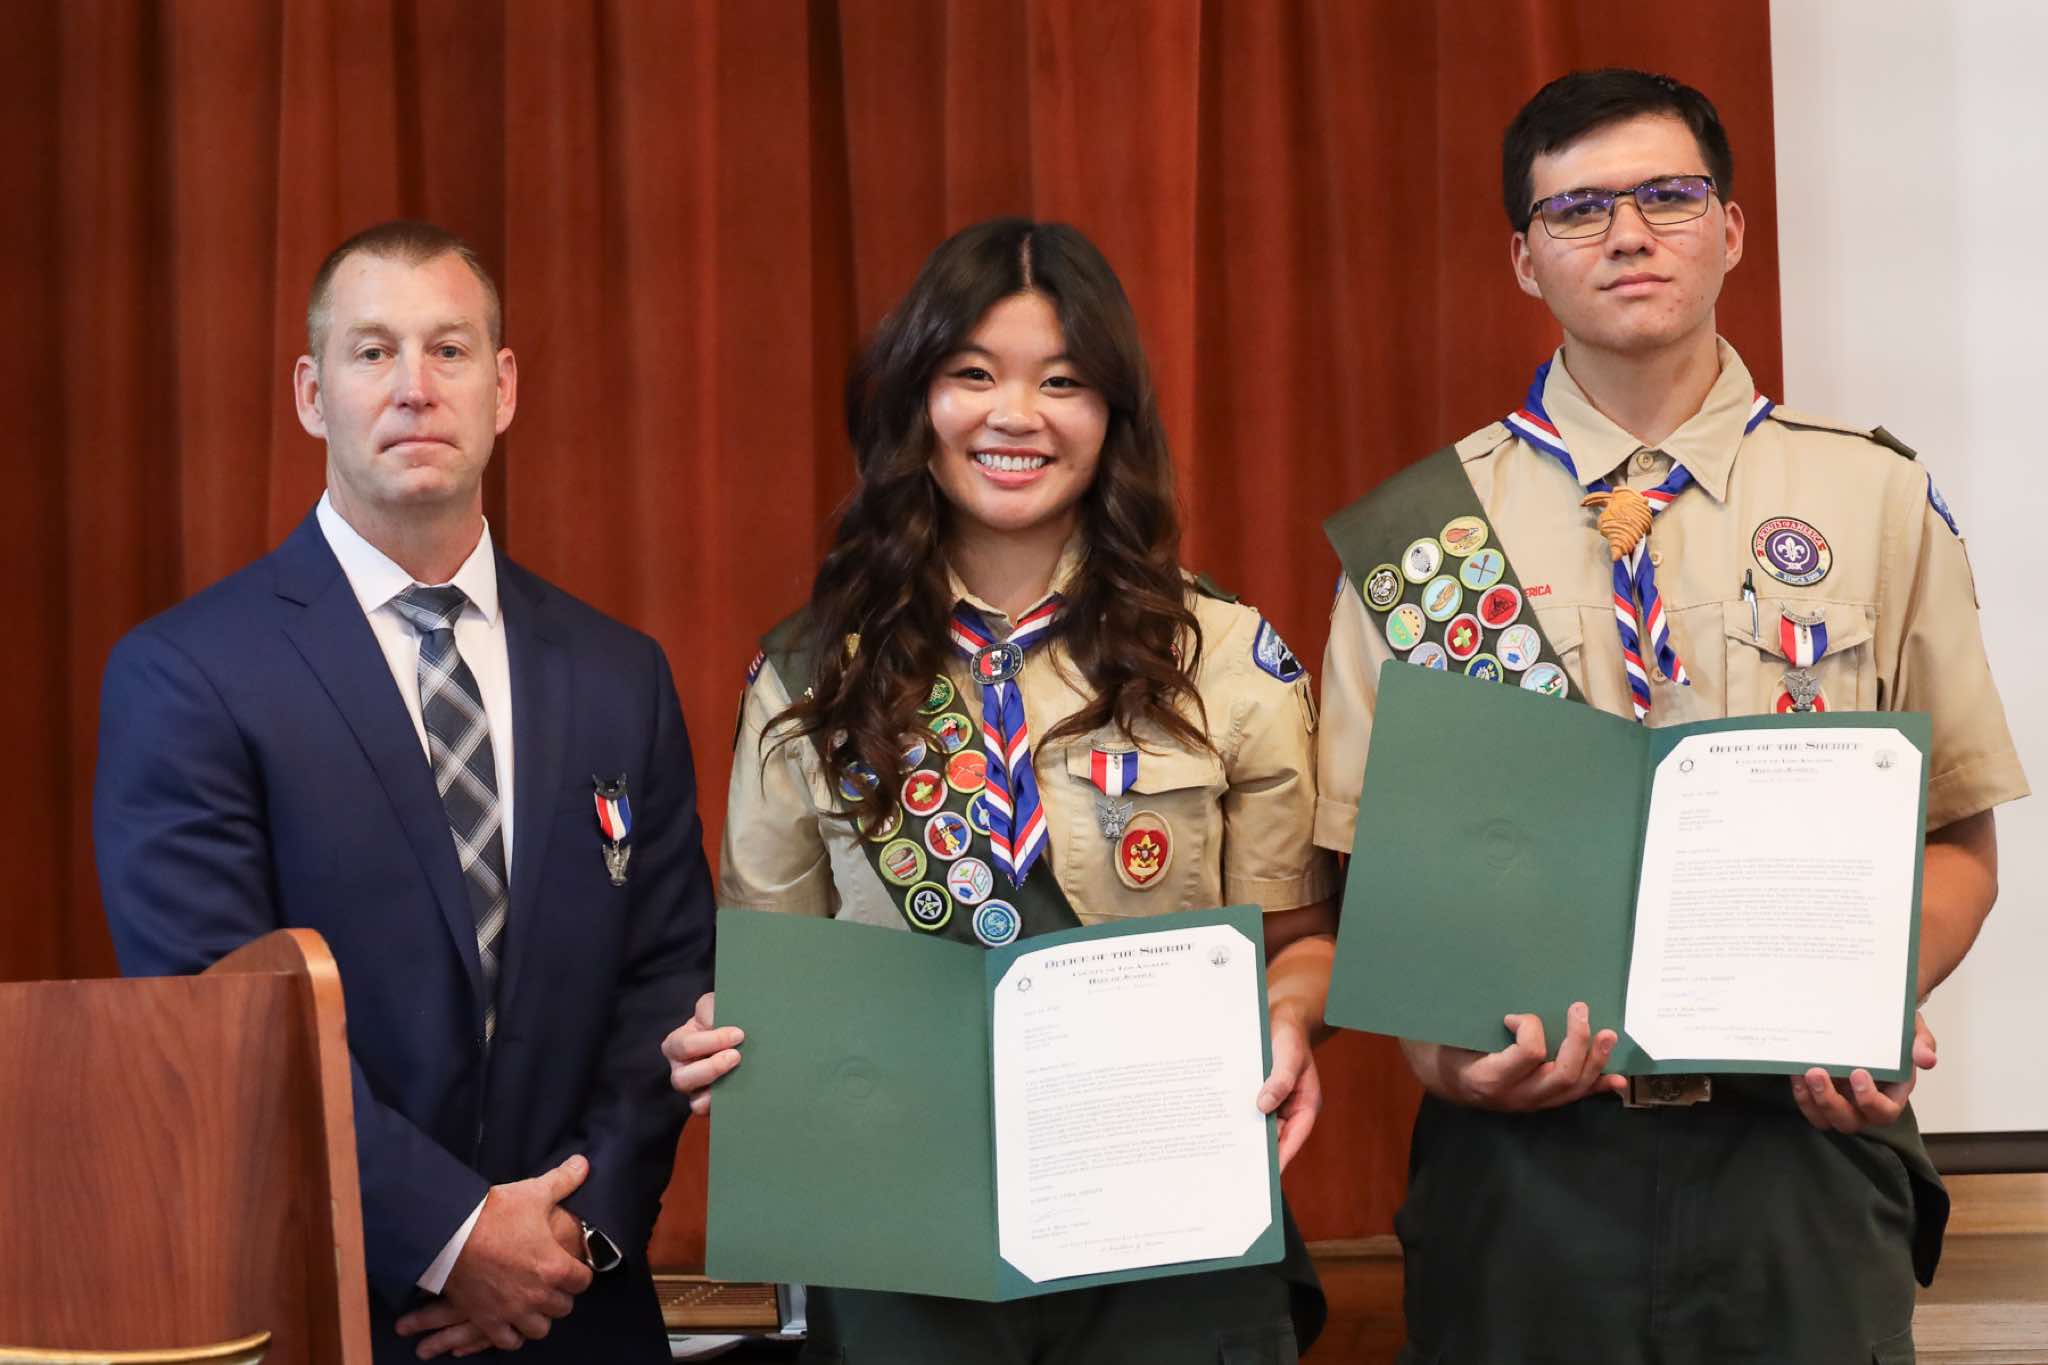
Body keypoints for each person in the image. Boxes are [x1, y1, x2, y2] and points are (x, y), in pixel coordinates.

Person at [1314, 69, 2027, 1363]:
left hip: (1800, 1151)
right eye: (1578, 209)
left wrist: (1873, 994)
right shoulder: (1424, 533)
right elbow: (1377, 873)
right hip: (1524, 1171)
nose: (1628, 234)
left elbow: (1957, 837)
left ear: (1731, 228)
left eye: (1667, 196)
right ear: (1523, 257)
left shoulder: (1872, 498)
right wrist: (1442, 1061)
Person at [663, 217, 1337, 1362]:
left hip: (1167, 1226)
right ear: (914, 401)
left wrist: (1286, 1020)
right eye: (972, 374)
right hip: (904, 1238)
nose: (1015, 415)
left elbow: (1299, 938)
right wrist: (726, 1043)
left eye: (1061, 381)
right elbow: (774, 967)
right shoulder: (811, 675)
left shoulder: (1222, 656)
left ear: (1112, 414)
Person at [94, 220, 716, 1362]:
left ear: (503, 387)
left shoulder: (617, 674)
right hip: (331, 1311)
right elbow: (217, 1010)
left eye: (450, 349)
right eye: (373, 351)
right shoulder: (186, 674)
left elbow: (669, 977)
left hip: (578, 1308)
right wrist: (455, 1237)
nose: (414, 387)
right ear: (311, 393)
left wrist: (568, 1234)